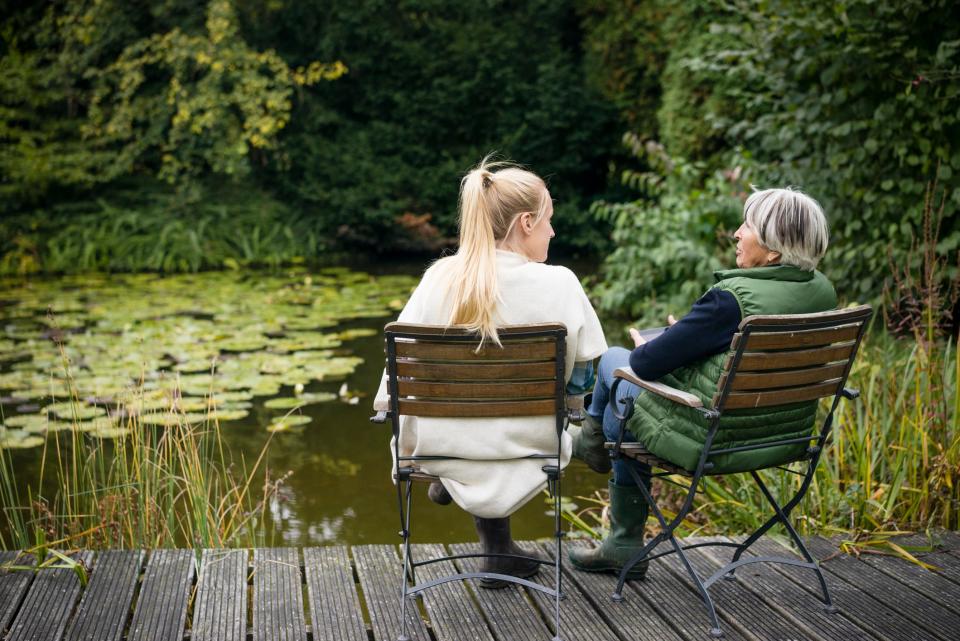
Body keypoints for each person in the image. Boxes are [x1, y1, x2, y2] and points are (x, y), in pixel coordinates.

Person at [568, 187, 836, 578]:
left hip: (710, 437)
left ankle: (597, 463)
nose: (736, 234)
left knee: (615, 366)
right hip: (782, 437)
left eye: (748, 227)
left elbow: (645, 365)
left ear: (774, 251)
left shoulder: (731, 300)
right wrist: (691, 340)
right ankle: (616, 520)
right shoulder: (821, 291)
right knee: (619, 414)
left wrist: (655, 345)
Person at [373, 157, 607, 587]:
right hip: (529, 442)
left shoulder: (439, 278)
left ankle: (464, 497)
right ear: (526, 222)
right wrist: (572, 405)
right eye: (549, 221)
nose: (553, 232)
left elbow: (398, 365)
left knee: (471, 421)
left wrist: (394, 407)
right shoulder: (560, 283)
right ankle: (494, 542)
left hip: (439, 442)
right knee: (513, 423)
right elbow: (582, 376)